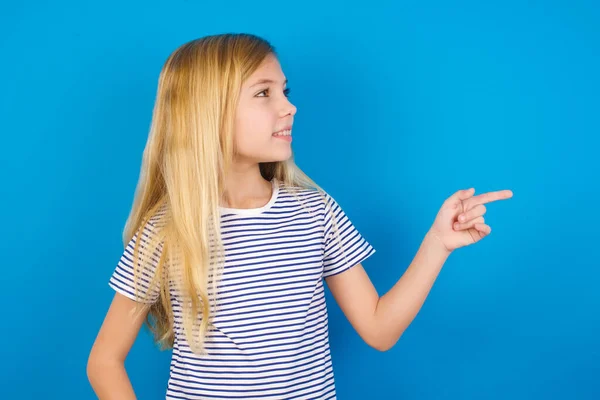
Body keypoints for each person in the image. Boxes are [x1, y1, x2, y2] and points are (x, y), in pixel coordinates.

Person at [86, 33, 513, 400]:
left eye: (286, 92)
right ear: (207, 113)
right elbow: (104, 361)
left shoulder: (315, 212)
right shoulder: (166, 231)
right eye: (263, 93)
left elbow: (380, 330)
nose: (289, 107)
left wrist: (437, 244)